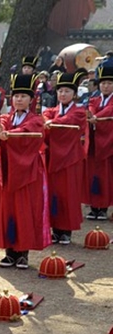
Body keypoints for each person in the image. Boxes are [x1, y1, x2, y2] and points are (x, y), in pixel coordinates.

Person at [0, 74, 50, 268]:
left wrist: (8, 134)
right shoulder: (4, 118)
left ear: (31, 100)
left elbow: (28, 132)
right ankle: (10, 252)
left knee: (24, 210)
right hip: (9, 169)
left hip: (27, 171)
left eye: (23, 96)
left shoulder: (35, 120)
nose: (18, 99)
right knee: (8, 210)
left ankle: (23, 252)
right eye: (16, 95)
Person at [42, 70, 87, 245]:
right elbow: (44, 118)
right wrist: (48, 121)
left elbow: (69, 121)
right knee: (54, 193)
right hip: (53, 157)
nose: (63, 94)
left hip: (70, 159)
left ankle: (66, 230)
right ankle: (55, 229)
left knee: (68, 194)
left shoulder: (79, 112)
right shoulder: (52, 111)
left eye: (67, 91)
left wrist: (51, 123)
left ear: (74, 94)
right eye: (60, 91)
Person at [86, 66, 113, 221]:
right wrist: (91, 115)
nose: (105, 86)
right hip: (95, 143)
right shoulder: (94, 99)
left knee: (106, 175)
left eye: (109, 83)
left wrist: (96, 117)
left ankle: (103, 207)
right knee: (93, 174)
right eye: (103, 83)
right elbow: (90, 108)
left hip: (108, 143)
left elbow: (109, 111)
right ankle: (93, 206)